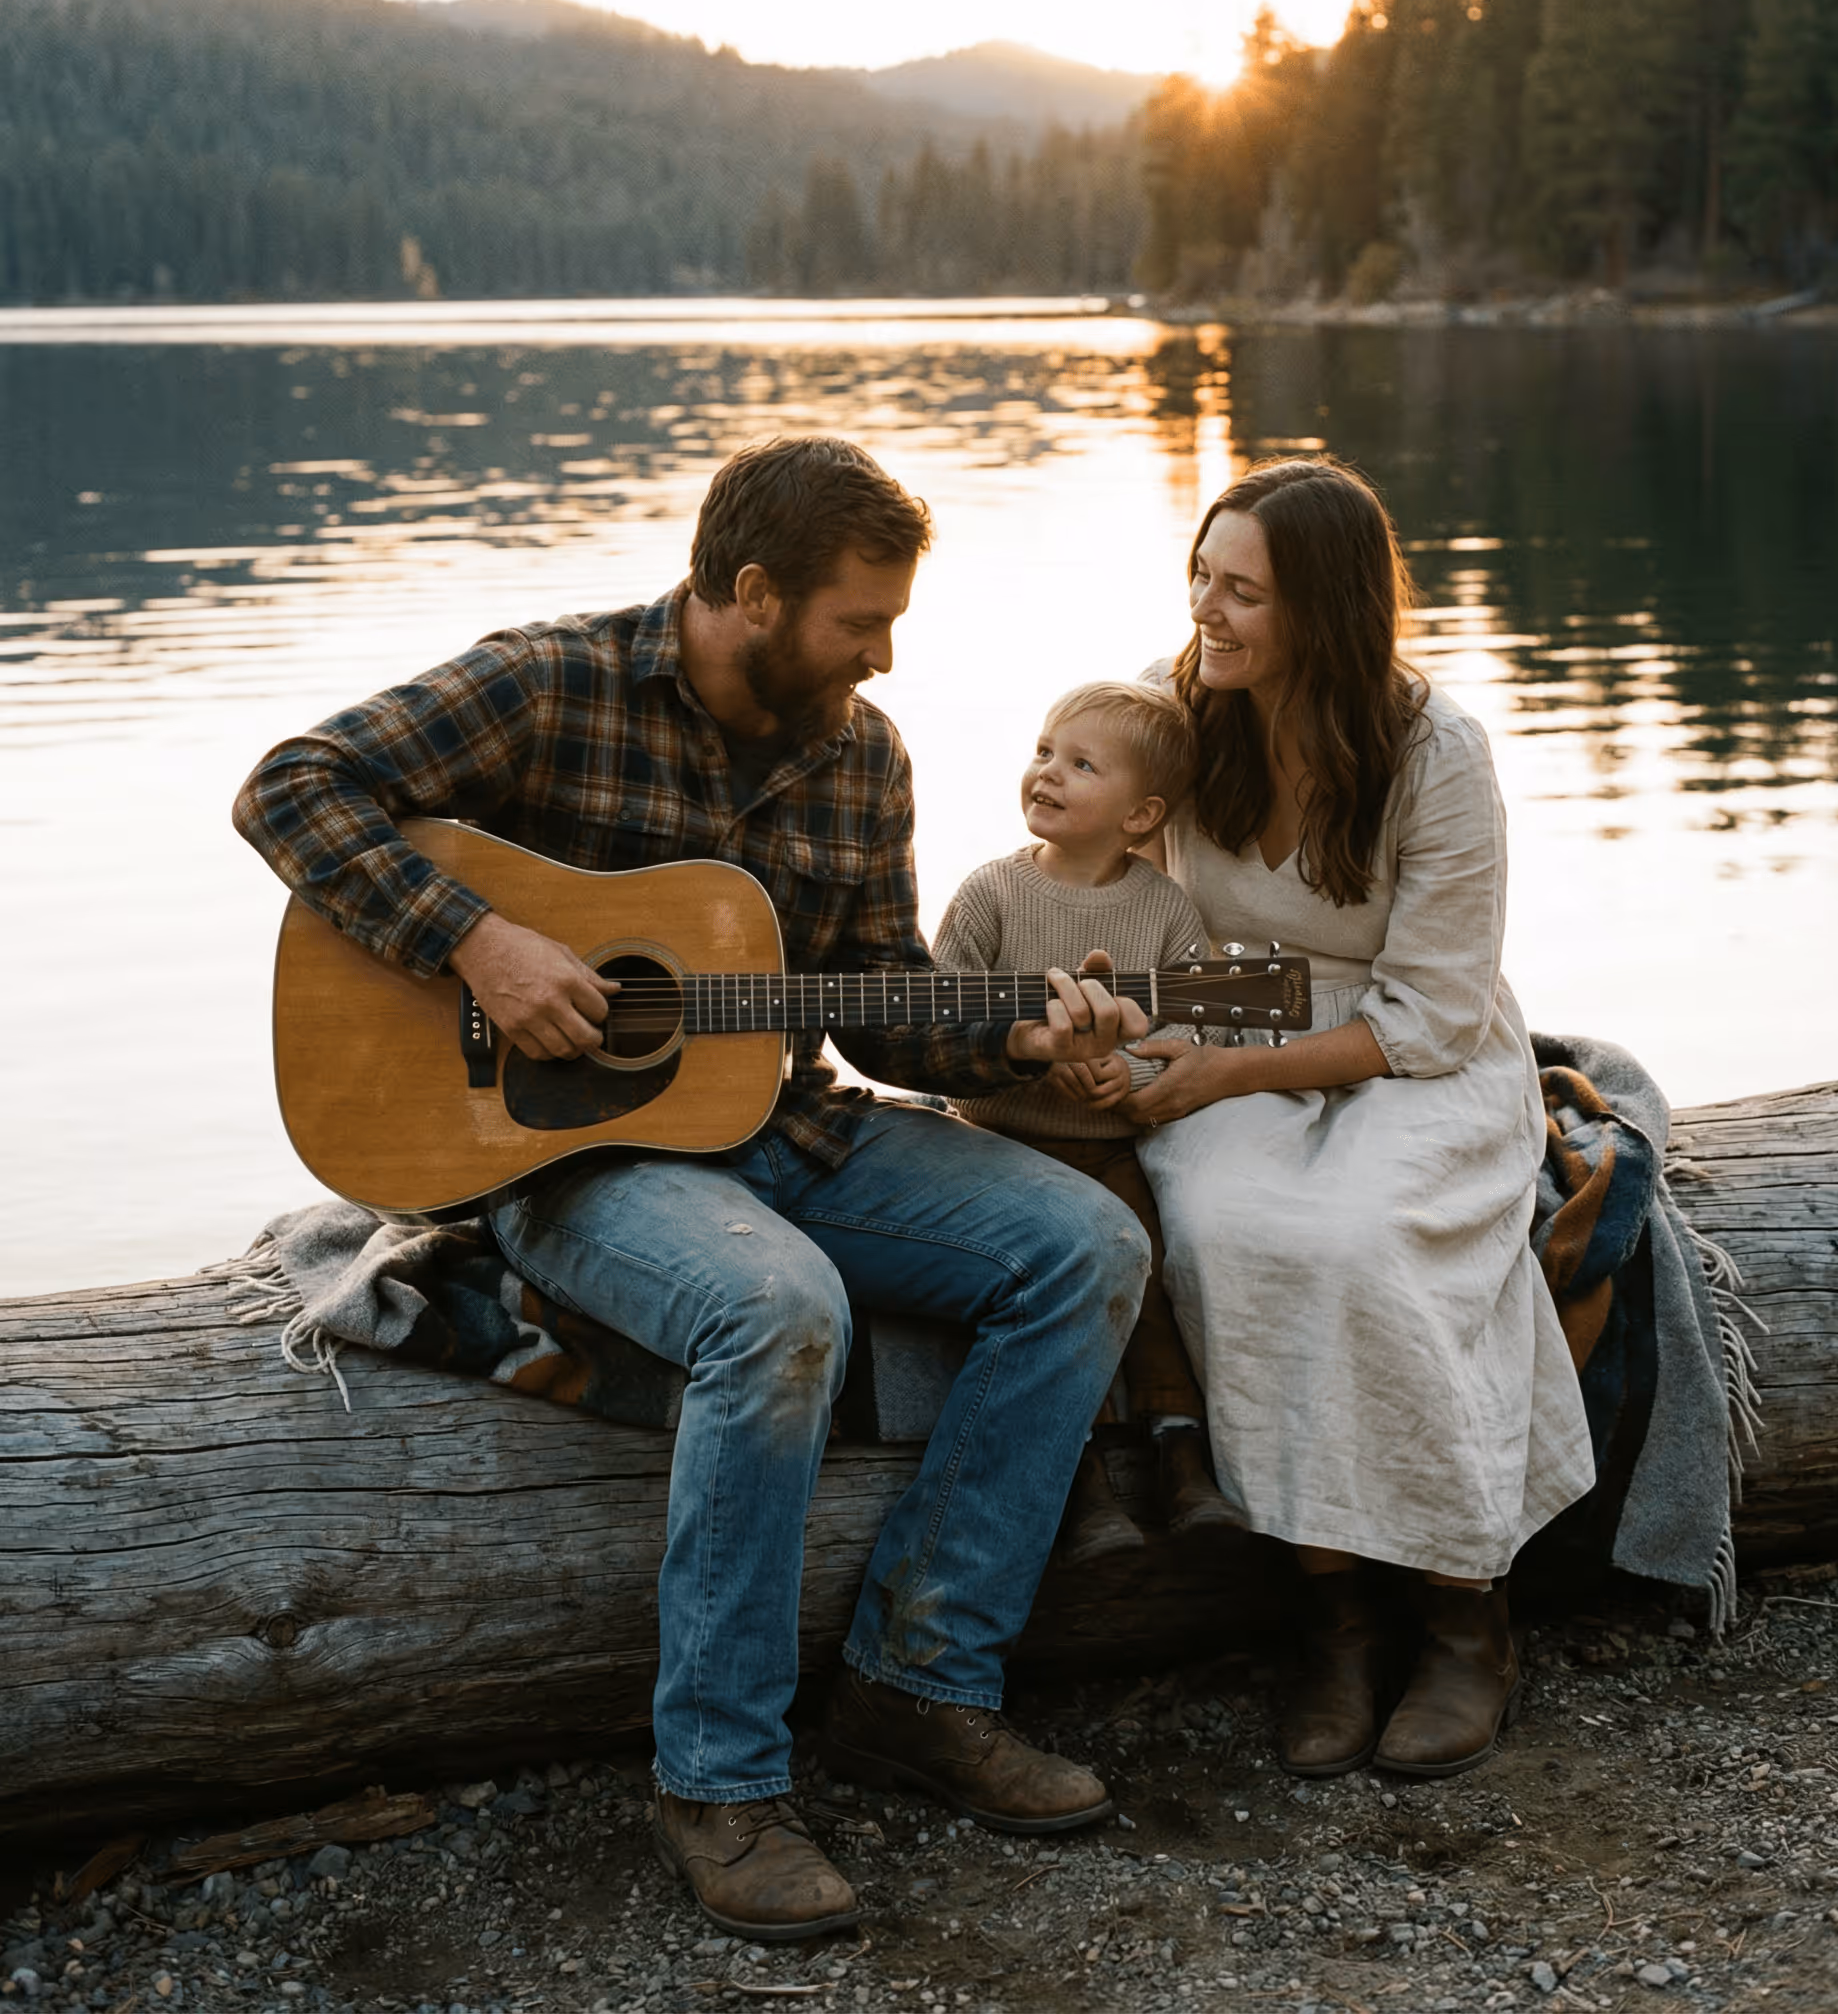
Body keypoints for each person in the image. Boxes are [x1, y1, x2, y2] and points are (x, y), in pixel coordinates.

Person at [234, 435, 1155, 1942]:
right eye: (862, 621)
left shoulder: (859, 751)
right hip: (572, 1164)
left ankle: (920, 1684)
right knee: (778, 1307)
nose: (887, 654)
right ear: (750, 592)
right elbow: (292, 787)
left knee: (1088, 1247)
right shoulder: (549, 685)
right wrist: (478, 941)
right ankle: (719, 1783)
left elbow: (868, 999)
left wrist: (1017, 1032)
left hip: (789, 1134)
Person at [1106, 459, 1595, 1781]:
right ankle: (1330, 1616)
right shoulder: (1178, 713)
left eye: (1243, 592)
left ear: (1322, 611)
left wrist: (1219, 1079)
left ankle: (1462, 1607)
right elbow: (1090, 861)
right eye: (1201, 577)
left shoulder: (1438, 754)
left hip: (1413, 1053)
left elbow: (1429, 1018)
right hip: (1232, 1016)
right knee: (1215, 1225)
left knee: (1363, 1238)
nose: (1208, 611)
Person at [930, 680, 1245, 1562]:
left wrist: (1126, 1067)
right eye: (1042, 751)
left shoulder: (1165, 910)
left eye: (1079, 764)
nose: (1047, 773)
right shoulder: (991, 893)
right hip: (1000, 1142)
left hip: (1112, 1147)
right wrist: (1026, 1051)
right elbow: (936, 1013)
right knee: (1046, 1288)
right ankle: (1081, 1474)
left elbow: (1196, 1024)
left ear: (1141, 814)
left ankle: (1181, 1455)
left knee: (1146, 1276)